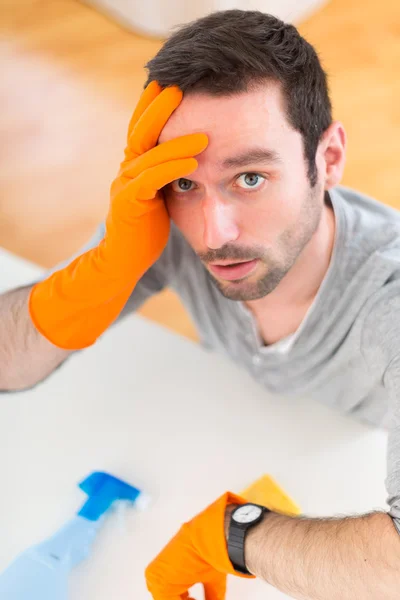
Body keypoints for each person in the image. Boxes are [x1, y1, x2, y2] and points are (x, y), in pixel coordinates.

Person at [1, 8, 400, 598]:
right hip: (232, 420)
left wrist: (234, 534)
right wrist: (100, 272)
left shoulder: (387, 306)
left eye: (251, 178)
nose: (213, 234)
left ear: (329, 159)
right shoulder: (159, 228)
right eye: (185, 182)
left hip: (343, 457)